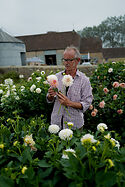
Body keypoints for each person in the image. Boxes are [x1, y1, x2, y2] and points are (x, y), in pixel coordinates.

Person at [47, 46, 93, 130]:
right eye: (64, 60)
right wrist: (50, 95)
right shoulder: (57, 77)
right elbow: (49, 99)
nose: (66, 63)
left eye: (70, 60)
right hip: (56, 123)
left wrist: (69, 103)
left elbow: (86, 103)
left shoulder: (84, 80)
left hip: (74, 125)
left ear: (78, 60)